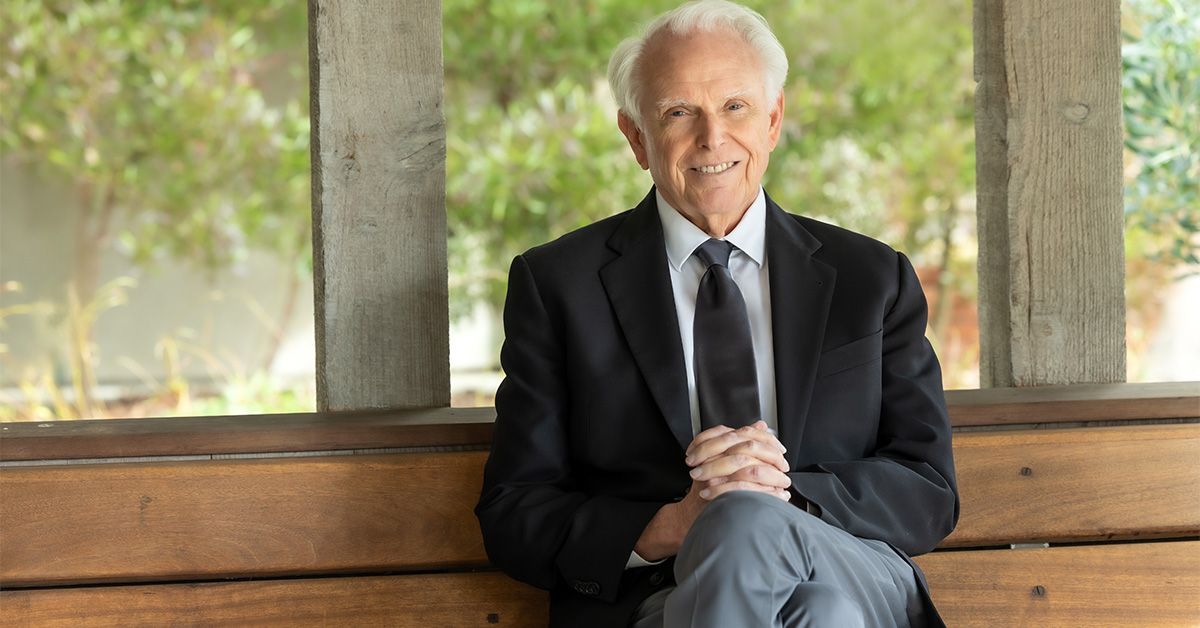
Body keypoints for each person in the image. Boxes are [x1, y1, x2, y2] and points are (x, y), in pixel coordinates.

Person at [475, 1, 959, 626]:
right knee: (822, 616)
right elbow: (516, 512)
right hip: (659, 596)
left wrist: (778, 498)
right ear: (636, 137)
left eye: (736, 107)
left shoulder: (871, 278)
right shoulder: (558, 286)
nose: (713, 138)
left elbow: (927, 488)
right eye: (679, 112)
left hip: (851, 563)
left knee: (769, 538)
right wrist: (671, 524)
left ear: (773, 120)